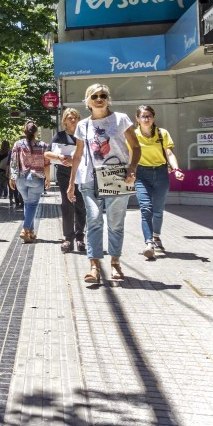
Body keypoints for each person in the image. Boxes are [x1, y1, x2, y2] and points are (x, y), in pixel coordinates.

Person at [68, 83, 141, 284]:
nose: (99, 99)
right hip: (90, 180)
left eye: (103, 95)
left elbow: (135, 146)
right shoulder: (83, 125)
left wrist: (132, 168)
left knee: (115, 223)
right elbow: (78, 154)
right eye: (94, 96)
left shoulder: (120, 119)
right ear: (88, 101)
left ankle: (115, 262)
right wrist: (71, 182)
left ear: (108, 99)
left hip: (117, 177)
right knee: (93, 219)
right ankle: (94, 266)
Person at [134, 105, 185, 259]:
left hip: (161, 173)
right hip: (141, 175)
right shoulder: (133, 135)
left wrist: (176, 169)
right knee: (146, 208)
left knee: (158, 210)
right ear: (137, 119)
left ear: (153, 117)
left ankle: (156, 236)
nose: (146, 119)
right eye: (143, 116)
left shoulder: (162, 134)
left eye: (149, 116)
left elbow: (169, 153)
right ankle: (148, 243)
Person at [46, 109, 87, 253]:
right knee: (67, 204)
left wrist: (76, 159)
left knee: (80, 206)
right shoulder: (59, 136)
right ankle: (68, 238)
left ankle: (80, 237)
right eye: (70, 118)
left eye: (75, 117)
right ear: (64, 121)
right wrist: (60, 158)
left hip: (81, 174)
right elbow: (47, 153)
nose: (73, 120)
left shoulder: (83, 135)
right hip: (64, 174)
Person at [9, 121, 50, 243]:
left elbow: (13, 162)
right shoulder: (43, 145)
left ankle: (31, 232)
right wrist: (47, 178)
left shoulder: (18, 144)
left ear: (24, 131)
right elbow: (46, 164)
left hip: (21, 178)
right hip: (36, 178)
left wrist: (12, 177)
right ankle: (25, 229)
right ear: (36, 131)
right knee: (32, 205)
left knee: (27, 204)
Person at [0, 141, 11, 206]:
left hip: (0, 171)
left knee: (1, 186)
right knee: (10, 186)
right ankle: (11, 199)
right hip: (8, 171)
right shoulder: (9, 153)